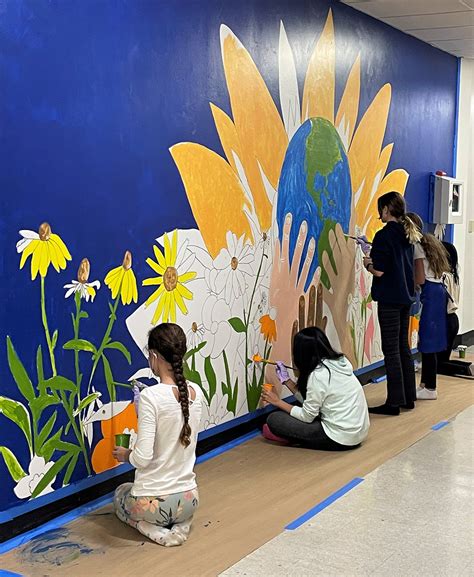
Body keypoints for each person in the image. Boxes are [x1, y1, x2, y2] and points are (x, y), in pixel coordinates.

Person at [112, 323, 203, 547]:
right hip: (189, 499)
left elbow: (142, 458)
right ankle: (182, 525)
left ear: (153, 355)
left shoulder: (150, 396)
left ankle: (150, 528)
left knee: (120, 493)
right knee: (176, 509)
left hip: (153, 503)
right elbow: (175, 426)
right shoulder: (196, 392)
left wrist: (126, 455)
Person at [260, 327, 369, 450]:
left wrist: (277, 402)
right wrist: (287, 381)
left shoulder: (318, 375)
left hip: (339, 438)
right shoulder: (339, 362)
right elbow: (313, 403)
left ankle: (290, 437)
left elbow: (307, 416)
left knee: (274, 419)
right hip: (358, 433)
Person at [363, 192, 421, 415]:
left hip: (389, 299)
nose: (380, 213)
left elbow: (379, 270)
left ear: (387, 209)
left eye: (381, 209)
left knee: (391, 350)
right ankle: (408, 398)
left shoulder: (384, 235)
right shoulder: (407, 233)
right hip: (405, 297)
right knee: (403, 347)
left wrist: (368, 262)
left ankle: (394, 402)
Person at [406, 213, 450, 399]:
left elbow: (420, 278)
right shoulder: (428, 243)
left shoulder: (416, 247)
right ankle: (426, 384)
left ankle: (430, 387)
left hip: (429, 292)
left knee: (428, 341)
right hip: (438, 291)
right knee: (430, 339)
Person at [437, 242, 474, 377]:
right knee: (443, 359)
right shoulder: (454, 275)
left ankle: (466, 370)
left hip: (445, 320)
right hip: (453, 319)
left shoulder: (442, 276)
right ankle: (469, 367)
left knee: (438, 364)